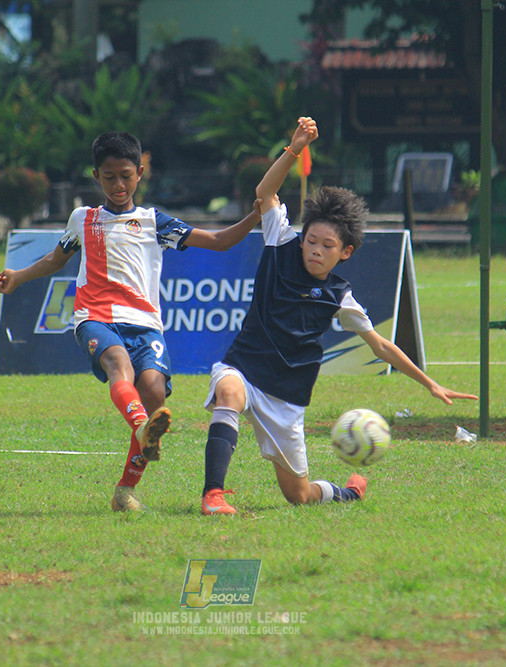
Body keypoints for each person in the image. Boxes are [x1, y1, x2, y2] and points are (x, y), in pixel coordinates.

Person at [200, 117, 477, 516]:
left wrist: (430, 383)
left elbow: (380, 345)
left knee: (298, 495)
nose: (314, 249)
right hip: (243, 365)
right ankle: (214, 496)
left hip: (287, 395)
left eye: (326, 245)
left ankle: (349, 492)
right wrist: (293, 148)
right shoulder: (281, 241)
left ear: (344, 252)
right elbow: (265, 192)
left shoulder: (339, 295)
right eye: (311, 240)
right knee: (228, 392)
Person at [0, 130, 263, 512]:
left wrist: (254, 215)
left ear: (140, 172)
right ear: (96, 177)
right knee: (119, 365)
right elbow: (56, 261)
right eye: (109, 177)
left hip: (146, 325)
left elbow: (218, 242)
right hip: (95, 318)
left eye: (125, 175)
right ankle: (141, 425)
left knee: (153, 391)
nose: (118, 185)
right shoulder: (83, 219)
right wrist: (18, 276)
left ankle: (124, 491)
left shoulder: (156, 223)